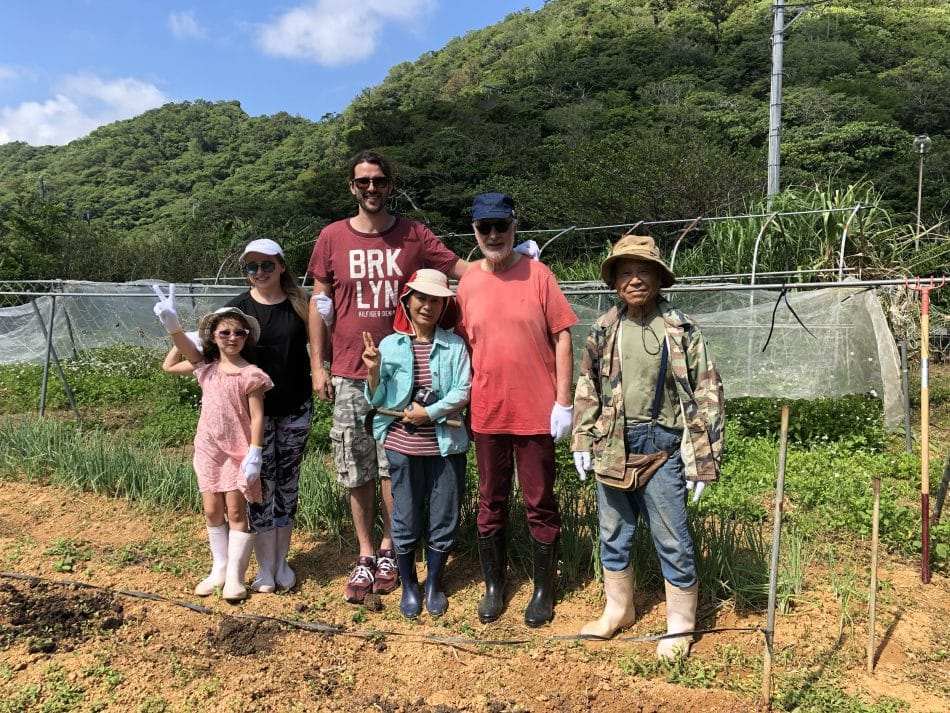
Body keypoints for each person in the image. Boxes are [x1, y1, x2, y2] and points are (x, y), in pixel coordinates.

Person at [571, 234, 724, 659]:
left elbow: (708, 391)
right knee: (613, 531)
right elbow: (588, 387)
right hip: (614, 443)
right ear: (615, 282)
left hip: (665, 444)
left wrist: (704, 460)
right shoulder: (603, 329)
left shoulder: (682, 329)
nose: (634, 279)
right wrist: (583, 437)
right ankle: (618, 609)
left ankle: (680, 625)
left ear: (658, 278)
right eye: (625, 272)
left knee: (672, 536)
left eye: (643, 271)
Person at [455, 192, 578, 628]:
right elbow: (461, 346)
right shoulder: (468, 282)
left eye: (500, 227)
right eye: (484, 227)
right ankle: (495, 584)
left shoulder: (540, 275)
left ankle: (544, 588)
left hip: (536, 411)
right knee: (490, 499)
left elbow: (563, 336)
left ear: (514, 227)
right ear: (474, 230)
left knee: (540, 501)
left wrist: (564, 401)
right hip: (488, 411)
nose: (493, 235)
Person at [361, 269, 471, 618]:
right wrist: (373, 370)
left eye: (435, 300)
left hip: (445, 444)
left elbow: (463, 391)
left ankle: (434, 582)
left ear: (443, 306)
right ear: (407, 301)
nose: (427, 305)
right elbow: (376, 398)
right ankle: (410, 585)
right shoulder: (390, 345)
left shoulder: (454, 345)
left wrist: (430, 413)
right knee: (405, 517)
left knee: (444, 515)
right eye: (421, 298)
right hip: (401, 445)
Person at [153, 289, 273, 603]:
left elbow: (257, 418)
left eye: (238, 332)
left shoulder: (252, 375)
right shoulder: (205, 368)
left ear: (246, 337)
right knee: (211, 510)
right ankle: (218, 568)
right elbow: (183, 351)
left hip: (237, 452)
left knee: (236, 512)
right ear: (214, 336)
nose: (232, 337)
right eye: (225, 332)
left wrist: (255, 453)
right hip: (208, 449)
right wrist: (173, 327)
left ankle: (235, 575)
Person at [225, 238, 311, 594]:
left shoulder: (301, 306)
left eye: (266, 265)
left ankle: (281, 561)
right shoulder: (238, 309)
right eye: (252, 267)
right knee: (258, 486)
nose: (259, 272)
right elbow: (214, 352)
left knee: (287, 483)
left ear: (281, 266)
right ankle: (263, 568)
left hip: (295, 407)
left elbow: (325, 346)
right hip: (252, 415)